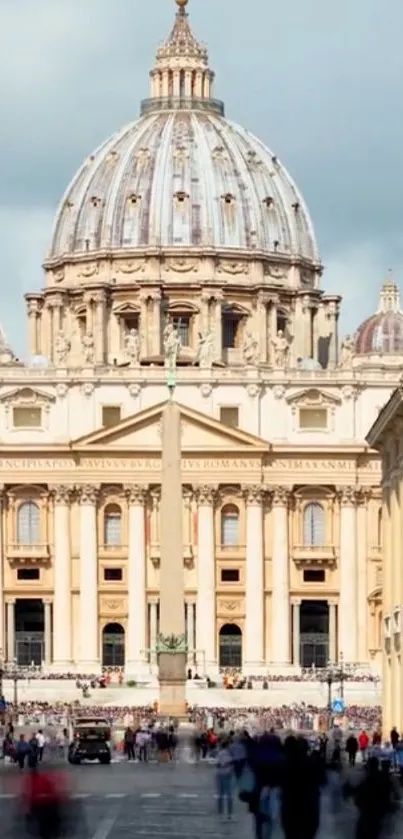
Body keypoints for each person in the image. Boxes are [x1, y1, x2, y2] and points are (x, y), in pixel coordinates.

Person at [216, 738, 234, 820]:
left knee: (221, 795)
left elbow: (218, 764)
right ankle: (229, 814)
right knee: (229, 795)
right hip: (227, 775)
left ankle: (221, 813)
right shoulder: (229, 754)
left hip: (221, 774)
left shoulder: (220, 753)